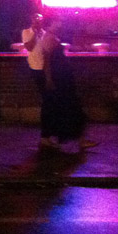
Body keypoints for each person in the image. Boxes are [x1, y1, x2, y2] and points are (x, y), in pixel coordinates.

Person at [40, 25, 97, 154]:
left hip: (63, 77)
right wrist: (48, 79)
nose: (60, 24)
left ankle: (76, 139)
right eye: (57, 21)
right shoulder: (49, 38)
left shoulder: (52, 37)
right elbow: (47, 60)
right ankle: (78, 140)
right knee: (71, 107)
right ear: (51, 23)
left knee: (70, 108)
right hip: (60, 79)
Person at [21, 12, 55, 149]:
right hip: (36, 69)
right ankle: (46, 135)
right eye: (35, 19)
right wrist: (35, 33)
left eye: (40, 19)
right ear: (31, 20)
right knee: (47, 100)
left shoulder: (46, 34)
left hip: (46, 69)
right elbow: (29, 47)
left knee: (49, 100)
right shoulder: (26, 32)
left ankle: (48, 133)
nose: (37, 21)